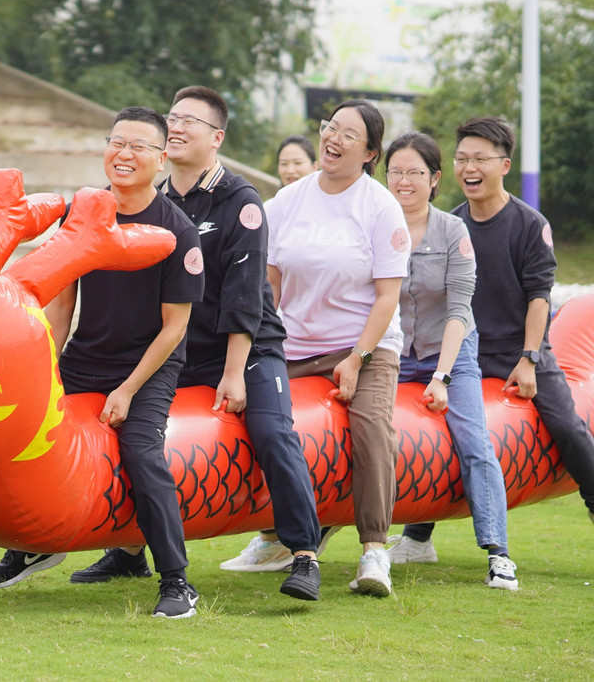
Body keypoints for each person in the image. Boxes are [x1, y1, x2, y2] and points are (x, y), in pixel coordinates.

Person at [89, 85, 322, 602]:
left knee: (271, 432)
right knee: (131, 431)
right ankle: (128, 551)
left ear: (216, 138)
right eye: (173, 117)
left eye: (191, 120)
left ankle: (303, 553)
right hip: (179, 349)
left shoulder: (241, 202)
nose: (177, 126)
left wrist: (235, 372)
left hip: (246, 347)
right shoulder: (155, 197)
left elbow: (244, 298)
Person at [0, 107, 207, 619]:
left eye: (139, 147)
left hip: (148, 365)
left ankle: (176, 579)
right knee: (23, 429)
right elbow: (61, 306)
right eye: (116, 142)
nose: (124, 155)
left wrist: (126, 390)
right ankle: (34, 543)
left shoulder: (178, 232)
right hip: (87, 356)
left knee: (142, 454)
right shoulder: (82, 212)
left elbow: (175, 328)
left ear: (163, 156)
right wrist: (47, 369)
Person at [403, 116, 594, 568]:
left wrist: (529, 360)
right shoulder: (448, 224)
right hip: (463, 348)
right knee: (433, 429)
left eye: (480, 159)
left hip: (517, 348)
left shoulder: (529, 224)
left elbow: (539, 298)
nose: (470, 167)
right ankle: (416, 536)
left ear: (504, 165)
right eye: (462, 158)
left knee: (566, 423)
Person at [223, 98, 408, 597]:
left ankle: (374, 551)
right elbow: (269, 283)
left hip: (364, 346)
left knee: (370, 427)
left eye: (350, 134)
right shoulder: (287, 201)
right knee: (264, 420)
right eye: (331, 127)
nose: (334, 138)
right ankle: (274, 537)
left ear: (370, 152)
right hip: (293, 345)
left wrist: (357, 359)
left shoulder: (380, 205)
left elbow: (389, 295)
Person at [379, 132, 517, 591]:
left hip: (450, 353)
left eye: (415, 172)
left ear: (435, 179)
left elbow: (460, 310)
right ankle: (312, 543)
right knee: (364, 435)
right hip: (394, 352)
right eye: (395, 171)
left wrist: (441, 376)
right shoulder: (374, 227)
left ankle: (498, 553)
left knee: (474, 443)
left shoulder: (452, 231)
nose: (404, 181)